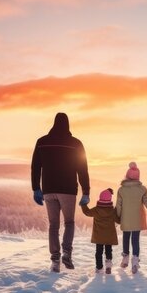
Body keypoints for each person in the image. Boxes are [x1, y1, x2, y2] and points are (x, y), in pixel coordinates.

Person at [31, 112, 90, 273]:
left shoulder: (42, 142)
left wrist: (36, 188)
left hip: (49, 190)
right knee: (69, 222)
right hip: (68, 190)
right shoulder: (76, 144)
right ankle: (66, 253)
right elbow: (82, 169)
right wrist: (86, 191)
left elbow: (35, 167)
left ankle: (55, 260)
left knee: (53, 225)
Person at [115, 162, 147, 274]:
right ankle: (135, 262)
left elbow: (118, 206)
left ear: (127, 176)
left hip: (125, 218)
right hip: (137, 219)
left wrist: (117, 218)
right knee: (135, 240)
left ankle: (125, 258)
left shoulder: (121, 190)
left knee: (126, 237)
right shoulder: (142, 189)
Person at [80, 189, 119, 274]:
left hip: (98, 236)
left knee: (98, 251)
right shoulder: (112, 211)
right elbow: (118, 220)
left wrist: (83, 204)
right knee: (109, 250)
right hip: (109, 235)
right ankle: (108, 265)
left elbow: (87, 212)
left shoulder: (96, 210)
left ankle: (99, 267)